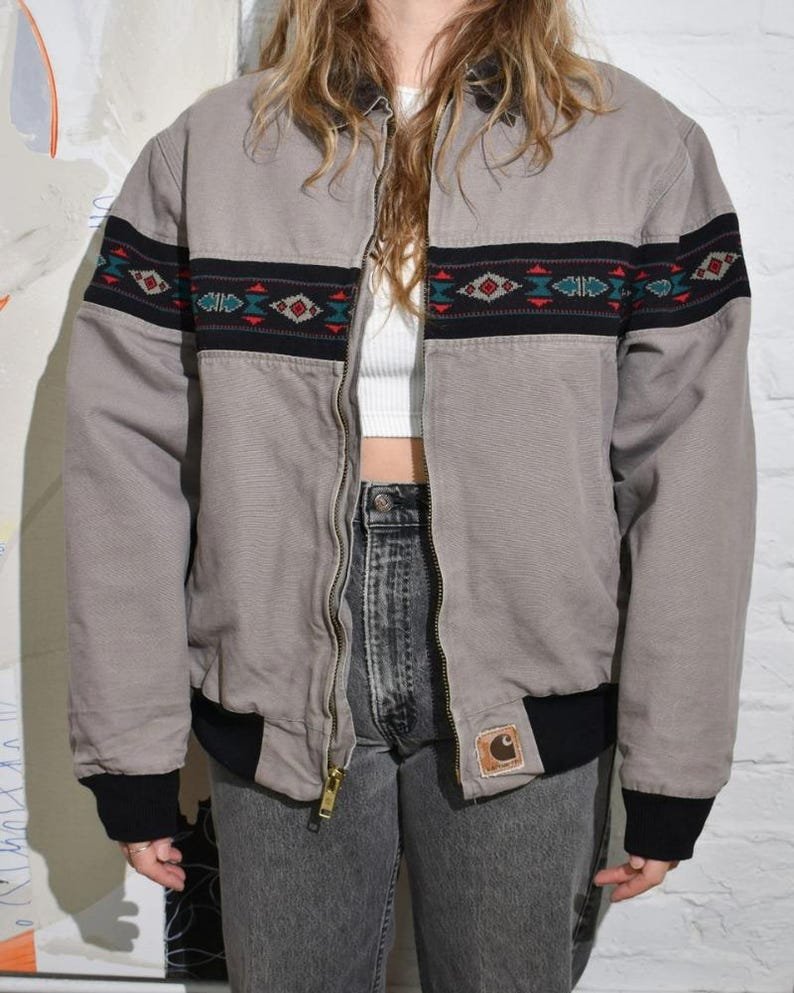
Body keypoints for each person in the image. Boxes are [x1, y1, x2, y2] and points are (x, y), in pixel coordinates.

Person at [62, 0, 756, 990]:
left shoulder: (636, 145)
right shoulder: (208, 150)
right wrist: (129, 753)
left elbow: (691, 470)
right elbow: (122, 464)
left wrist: (671, 769)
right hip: (276, 647)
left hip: (531, 653)